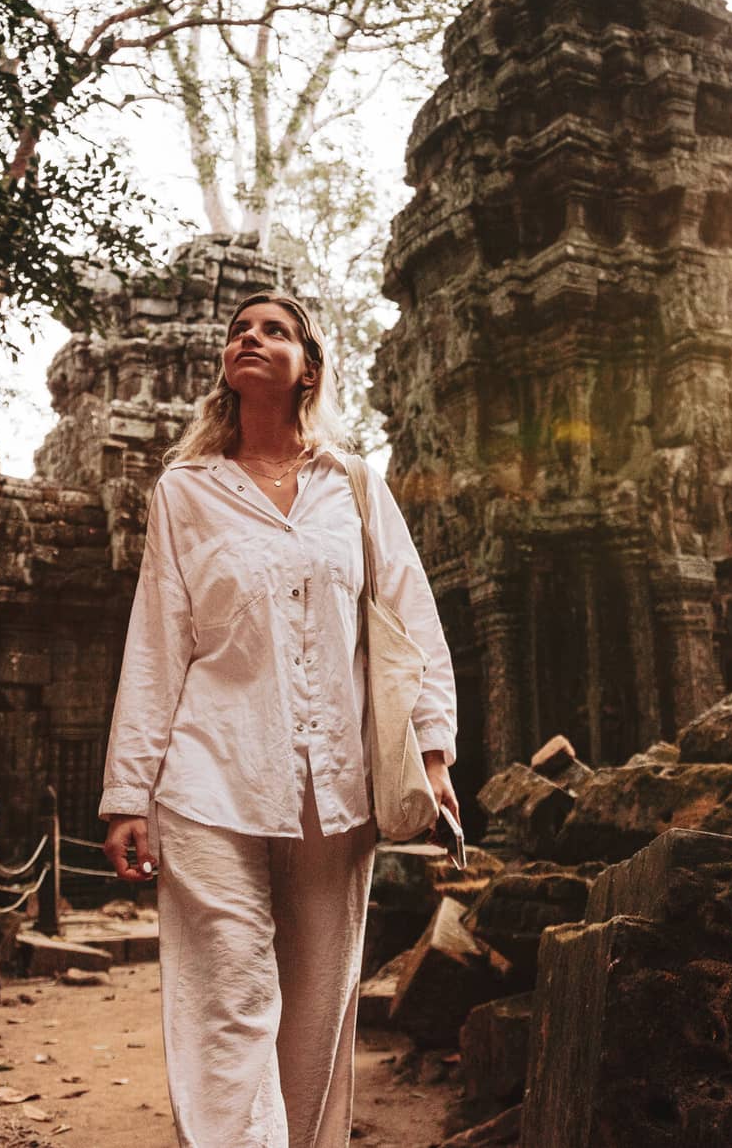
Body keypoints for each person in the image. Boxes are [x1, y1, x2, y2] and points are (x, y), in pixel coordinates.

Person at [99, 290, 460, 1148]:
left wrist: (434, 754)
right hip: (209, 774)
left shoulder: (356, 486)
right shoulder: (186, 492)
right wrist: (128, 794)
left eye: (274, 330)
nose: (250, 339)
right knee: (229, 995)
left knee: (316, 1009)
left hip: (335, 785)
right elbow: (157, 642)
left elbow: (411, 615)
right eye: (238, 330)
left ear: (310, 366)